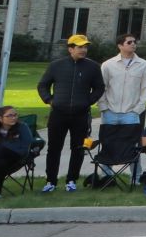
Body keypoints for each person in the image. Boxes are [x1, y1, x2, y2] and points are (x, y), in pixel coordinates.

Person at [37, 34, 104, 193]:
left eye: (85, 47)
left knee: (78, 148)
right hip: (58, 113)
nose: (83, 50)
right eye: (80, 47)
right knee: (54, 148)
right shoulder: (56, 65)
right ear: (70, 49)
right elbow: (43, 85)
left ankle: (71, 180)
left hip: (80, 114)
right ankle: (51, 181)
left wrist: (88, 101)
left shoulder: (93, 67)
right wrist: (50, 100)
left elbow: (99, 87)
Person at [98, 35, 146, 130]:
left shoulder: (144, 65)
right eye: (129, 42)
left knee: (130, 144)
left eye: (134, 42)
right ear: (120, 46)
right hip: (110, 112)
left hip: (132, 113)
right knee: (108, 143)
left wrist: (138, 109)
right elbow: (101, 87)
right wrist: (104, 108)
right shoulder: (108, 65)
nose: (133, 44)